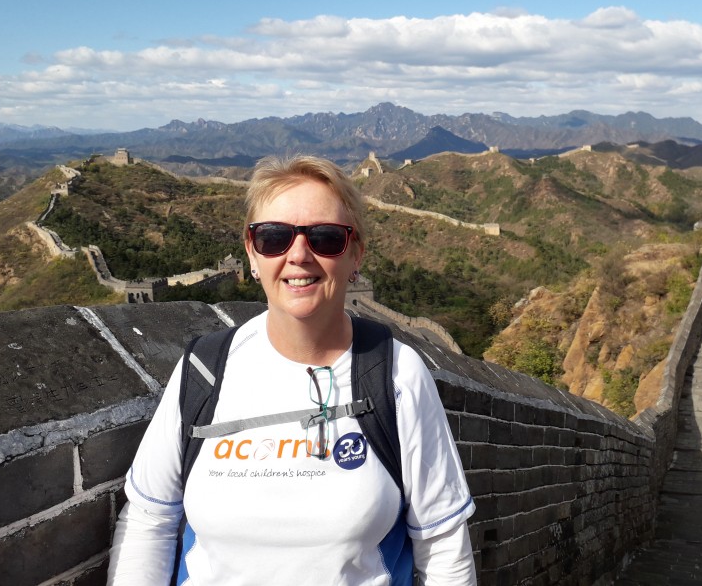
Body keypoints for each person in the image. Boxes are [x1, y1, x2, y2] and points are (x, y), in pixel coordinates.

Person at [107, 154, 476, 585]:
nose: (298, 254)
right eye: (273, 237)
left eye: (325, 238)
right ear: (251, 252)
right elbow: (149, 523)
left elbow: (444, 551)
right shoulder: (205, 371)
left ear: (355, 254)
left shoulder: (396, 376)